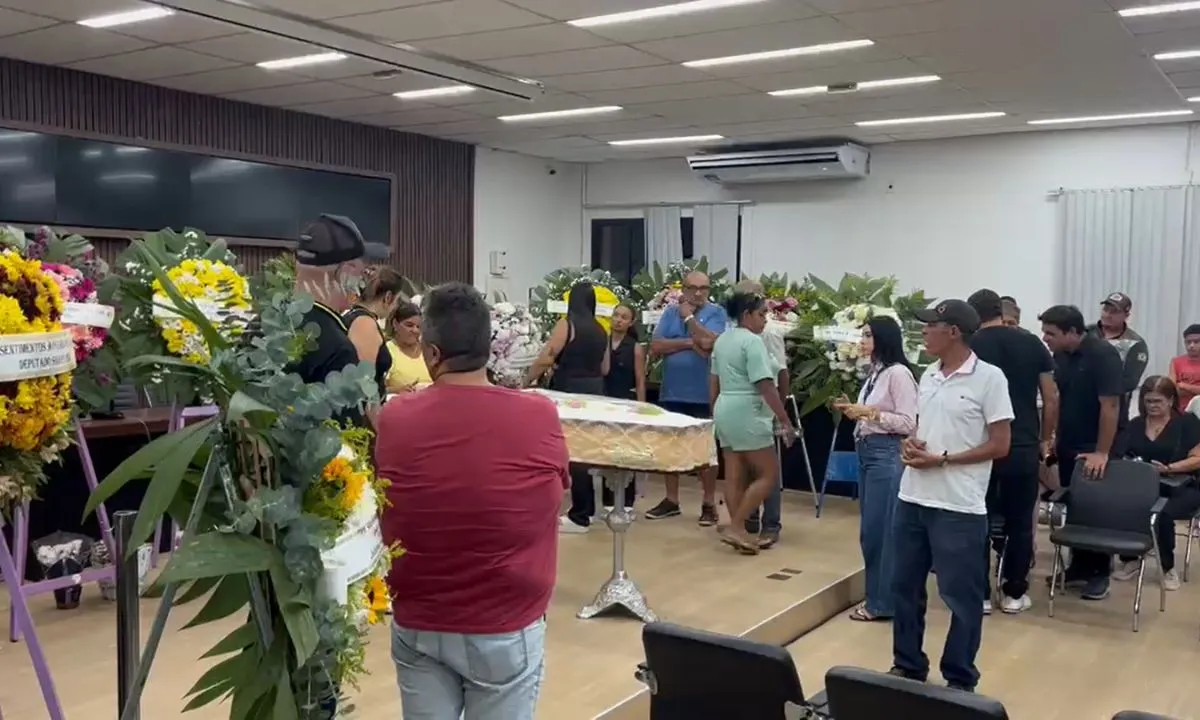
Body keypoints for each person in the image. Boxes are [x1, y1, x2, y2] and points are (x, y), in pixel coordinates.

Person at [377, 282, 567, 720]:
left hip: (420, 616)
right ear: (489, 347)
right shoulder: (538, 415)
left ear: (432, 353)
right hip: (505, 619)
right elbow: (557, 495)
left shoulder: (396, 418)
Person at [890, 299, 1013, 693]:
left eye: (930, 326)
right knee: (904, 587)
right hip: (912, 498)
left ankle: (960, 678)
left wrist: (942, 460)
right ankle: (908, 665)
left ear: (954, 331)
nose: (924, 331)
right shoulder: (928, 373)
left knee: (961, 596)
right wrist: (910, 446)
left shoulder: (990, 378)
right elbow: (925, 427)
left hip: (958, 506)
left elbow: (1000, 445)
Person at [967, 289, 1058, 615]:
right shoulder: (1032, 343)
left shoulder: (970, 346)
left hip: (980, 448)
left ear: (974, 315)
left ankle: (980, 595)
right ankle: (1014, 593)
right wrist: (1044, 440)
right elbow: (1051, 398)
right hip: (1022, 446)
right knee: (1021, 522)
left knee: (979, 519)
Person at [834, 315, 917, 622]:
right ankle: (877, 596)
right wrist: (855, 411)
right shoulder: (875, 373)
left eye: (868, 335)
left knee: (881, 531)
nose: (863, 341)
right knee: (871, 531)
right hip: (868, 452)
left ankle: (883, 602)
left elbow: (909, 422)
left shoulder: (898, 374)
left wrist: (870, 413)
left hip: (886, 454)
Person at [1040, 304, 1123, 601]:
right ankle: (1078, 568)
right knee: (1073, 506)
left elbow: (1110, 406)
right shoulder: (1061, 356)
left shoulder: (1103, 355)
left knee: (1096, 509)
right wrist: (1050, 438)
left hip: (1096, 445)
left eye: (1051, 333)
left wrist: (1102, 451)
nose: (1045, 337)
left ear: (1073, 332)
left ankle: (1099, 574)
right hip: (1069, 443)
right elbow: (1057, 398)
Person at [709, 291, 796, 554]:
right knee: (767, 474)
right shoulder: (752, 342)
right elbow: (764, 383)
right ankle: (736, 526)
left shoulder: (723, 340)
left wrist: (714, 411)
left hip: (725, 406)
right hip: (749, 408)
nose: (765, 320)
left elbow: (713, 380)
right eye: (761, 314)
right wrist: (784, 419)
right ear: (746, 315)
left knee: (734, 473)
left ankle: (741, 534)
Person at [524, 282, 609, 533]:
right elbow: (605, 368)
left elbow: (548, 355)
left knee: (572, 450)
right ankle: (590, 510)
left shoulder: (567, 324)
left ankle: (579, 515)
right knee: (587, 449)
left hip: (570, 391)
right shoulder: (600, 329)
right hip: (595, 391)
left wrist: (526, 380)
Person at [645, 271, 727, 524]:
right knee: (672, 447)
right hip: (672, 390)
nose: (699, 292)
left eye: (704, 288)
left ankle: (708, 502)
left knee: (705, 451)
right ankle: (671, 500)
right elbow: (656, 346)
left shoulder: (717, 313)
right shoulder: (670, 313)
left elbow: (709, 342)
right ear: (684, 289)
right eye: (693, 288)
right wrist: (690, 343)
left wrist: (689, 318)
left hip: (704, 394)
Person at [291, 214, 384, 426]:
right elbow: (345, 440)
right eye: (363, 270)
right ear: (345, 271)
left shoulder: (259, 326)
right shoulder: (335, 347)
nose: (363, 279)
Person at [1112, 376, 1200, 591]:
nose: (1152, 406)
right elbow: (1122, 453)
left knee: (1163, 512)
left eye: (1157, 401)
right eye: (1148, 401)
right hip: (1146, 483)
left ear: (1170, 401)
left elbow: (1197, 458)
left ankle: (1167, 566)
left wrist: (1169, 468)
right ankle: (1130, 557)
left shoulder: (1187, 422)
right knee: (1127, 503)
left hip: (1183, 484)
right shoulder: (1136, 424)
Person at [734, 278, 790, 549]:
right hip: (742, 407)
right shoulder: (735, 331)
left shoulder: (769, 332)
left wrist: (781, 412)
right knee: (745, 467)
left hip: (765, 406)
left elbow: (780, 372)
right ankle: (749, 521)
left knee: (768, 468)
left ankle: (771, 524)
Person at [597, 302, 645, 515]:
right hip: (604, 401)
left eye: (624, 317)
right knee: (605, 452)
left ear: (631, 322)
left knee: (626, 453)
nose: (618, 320)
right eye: (616, 315)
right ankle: (606, 500)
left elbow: (640, 380)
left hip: (626, 402)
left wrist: (642, 409)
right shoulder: (602, 342)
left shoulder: (635, 347)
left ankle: (626, 502)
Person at [1089, 292, 1149, 430]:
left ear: (1126, 315)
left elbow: (1129, 382)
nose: (1107, 315)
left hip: (1113, 410)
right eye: (1106, 309)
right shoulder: (1087, 333)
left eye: (1114, 312)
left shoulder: (1135, 343)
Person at [345, 266, 406, 397]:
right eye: (397, 300)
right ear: (388, 297)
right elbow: (363, 384)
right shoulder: (365, 325)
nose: (395, 307)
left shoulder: (358, 318)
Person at [385, 300, 431, 393]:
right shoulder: (387, 351)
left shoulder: (429, 350)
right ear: (395, 324)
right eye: (409, 325)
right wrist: (397, 390)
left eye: (418, 327)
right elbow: (376, 391)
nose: (415, 330)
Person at [1168, 324, 1200, 412]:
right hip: (1179, 411)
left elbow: (1179, 387)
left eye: (1196, 342)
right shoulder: (1176, 362)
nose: (1191, 345)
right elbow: (1171, 389)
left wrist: (1184, 386)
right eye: (1188, 342)